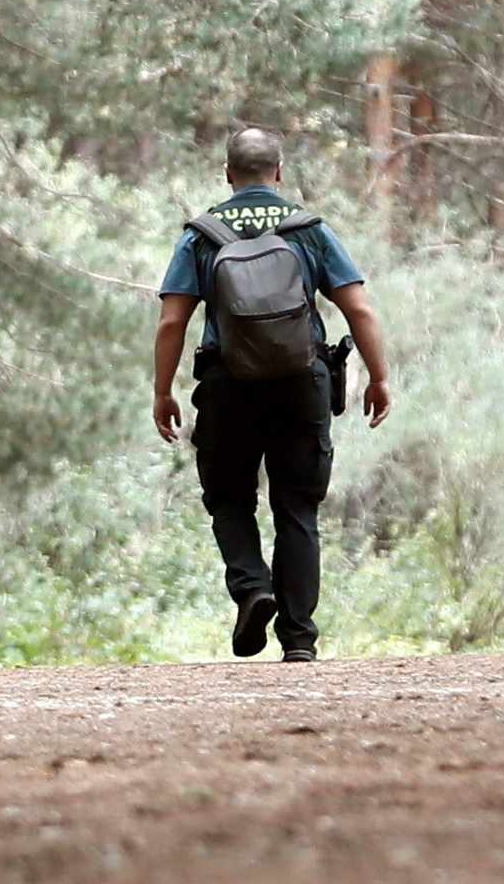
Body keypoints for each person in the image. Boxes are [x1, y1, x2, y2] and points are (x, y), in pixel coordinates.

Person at [152, 126, 391, 662]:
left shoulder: (202, 233)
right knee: (297, 509)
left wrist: (163, 390)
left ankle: (252, 587)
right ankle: (299, 641)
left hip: (227, 385)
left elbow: (172, 321)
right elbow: (359, 309)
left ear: (228, 174)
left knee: (229, 499)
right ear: (278, 172)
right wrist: (378, 376)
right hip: (300, 383)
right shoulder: (306, 229)